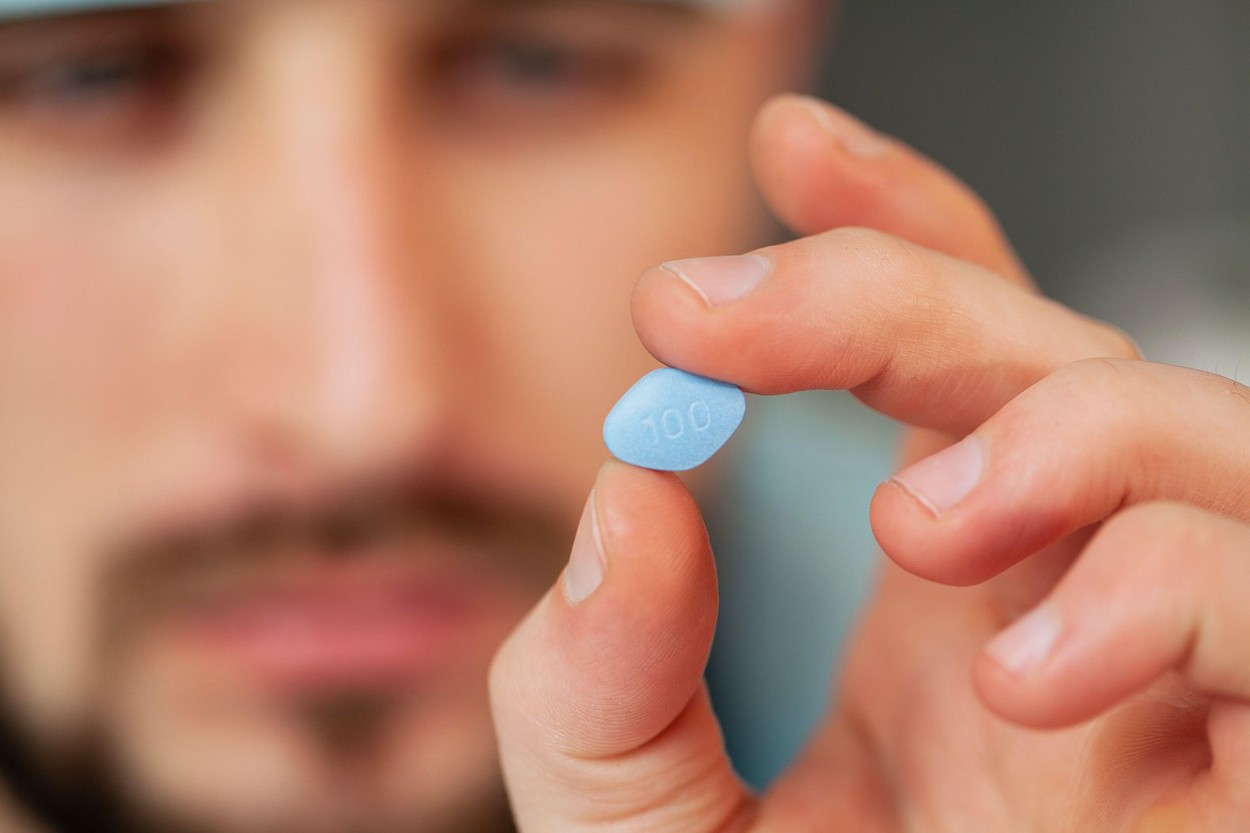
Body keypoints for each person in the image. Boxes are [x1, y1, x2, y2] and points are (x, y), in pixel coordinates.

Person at [1, 2, 1247, 833]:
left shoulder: (1074, 708)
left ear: (777, 51)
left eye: (535, 62)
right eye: (85, 75)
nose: (362, 406)